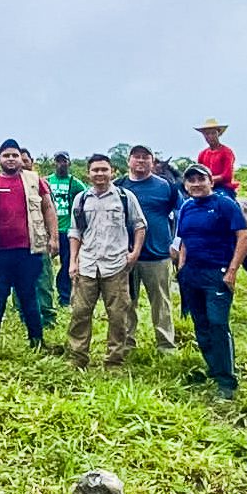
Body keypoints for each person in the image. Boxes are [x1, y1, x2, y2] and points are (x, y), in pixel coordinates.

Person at [176, 163, 247, 399]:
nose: (196, 184)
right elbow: (184, 240)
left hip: (216, 272)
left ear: (210, 181)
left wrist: (232, 270)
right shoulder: (186, 207)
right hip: (192, 274)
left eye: (201, 179)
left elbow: (244, 236)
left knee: (218, 324)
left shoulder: (224, 204)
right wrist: (181, 268)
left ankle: (227, 381)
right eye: (191, 181)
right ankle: (213, 368)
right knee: (201, 324)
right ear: (186, 185)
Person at [67, 154, 147, 368]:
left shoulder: (124, 197)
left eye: (104, 169)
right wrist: (73, 262)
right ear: (88, 173)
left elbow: (140, 225)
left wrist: (135, 253)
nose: (100, 174)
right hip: (88, 264)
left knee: (118, 315)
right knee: (80, 313)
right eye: (95, 170)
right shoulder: (81, 199)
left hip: (116, 265)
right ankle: (78, 357)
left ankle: (114, 361)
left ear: (113, 172)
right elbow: (75, 231)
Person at [0, 139, 58, 348]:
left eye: (14, 155)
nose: (11, 159)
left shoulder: (34, 179)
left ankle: (37, 341)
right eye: (6, 155)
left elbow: (48, 208)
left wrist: (53, 238)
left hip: (28, 250)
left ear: (21, 158)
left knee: (29, 296)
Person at [116, 144, 179, 355]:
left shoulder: (166, 187)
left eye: (145, 157)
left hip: (158, 255)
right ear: (129, 161)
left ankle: (166, 346)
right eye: (136, 157)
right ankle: (126, 344)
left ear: (153, 161)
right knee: (126, 302)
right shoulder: (119, 187)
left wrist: (176, 244)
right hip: (125, 256)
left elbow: (180, 213)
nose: (140, 161)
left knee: (161, 303)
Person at [18, 147, 58, 328]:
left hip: (39, 239)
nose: (23, 164)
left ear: (31, 162)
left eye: (25, 160)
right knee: (19, 282)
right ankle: (23, 316)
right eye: (20, 160)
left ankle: (48, 317)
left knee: (43, 280)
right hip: (17, 244)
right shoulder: (5, 181)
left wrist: (54, 237)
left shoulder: (40, 183)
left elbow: (50, 210)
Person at [47, 151, 86, 305]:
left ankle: (64, 296)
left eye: (64, 161)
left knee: (67, 264)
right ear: (53, 163)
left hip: (68, 231)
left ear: (69, 163)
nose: (61, 164)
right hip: (50, 231)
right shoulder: (47, 181)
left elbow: (85, 200)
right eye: (58, 161)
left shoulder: (75, 183)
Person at [194, 118, 239, 199]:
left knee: (222, 202)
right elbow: (199, 172)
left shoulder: (227, 152)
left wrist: (209, 180)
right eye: (207, 134)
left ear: (218, 134)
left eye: (213, 133)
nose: (210, 136)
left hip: (223, 188)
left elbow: (227, 176)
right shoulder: (202, 154)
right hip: (204, 188)